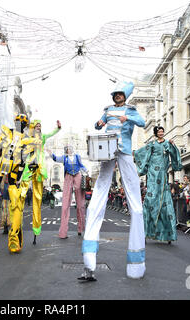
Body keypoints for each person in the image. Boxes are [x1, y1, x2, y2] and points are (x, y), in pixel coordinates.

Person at [79, 81, 146, 281]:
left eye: (120, 94)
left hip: (124, 151)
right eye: (115, 94)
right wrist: (99, 124)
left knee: (134, 196)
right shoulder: (107, 111)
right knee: (99, 193)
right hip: (107, 151)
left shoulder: (132, 110)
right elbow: (98, 124)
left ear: (125, 96)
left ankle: (137, 265)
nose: (118, 96)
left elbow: (142, 122)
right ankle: (89, 263)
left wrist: (128, 117)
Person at [0, 113, 39, 253]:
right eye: (18, 121)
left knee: (16, 203)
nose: (20, 123)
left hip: (13, 176)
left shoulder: (27, 140)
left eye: (23, 122)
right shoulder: (6, 134)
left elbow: (33, 158)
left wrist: (33, 164)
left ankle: (14, 237)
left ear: (26, 125)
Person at [134, 126, 183, 244]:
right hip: (152, 173)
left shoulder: (167, 143)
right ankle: (146, 232)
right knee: (150, 201)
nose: (161, 133)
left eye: (162, 131)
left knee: (165, 204)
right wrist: (133, 153)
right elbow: (142, 153)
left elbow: (175, 154)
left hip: (162, 174)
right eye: (159, 131)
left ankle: (167, 233)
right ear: (156, 133)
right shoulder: (151, 144)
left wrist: (173, 146)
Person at [22, 119, 61, 242]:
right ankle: (16, 219)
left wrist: (58, 128)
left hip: (39, 166)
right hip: (29, 165)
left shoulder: (43, 137)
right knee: (22, 191)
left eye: (40, 125)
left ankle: (36, 227)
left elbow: (51, 133)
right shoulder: (28, 137)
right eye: (37, 125)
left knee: (37, 198)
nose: (39, 127)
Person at [49, 145, 87, 239]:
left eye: (69, 149)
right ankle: (63, 232)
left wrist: (86, 170)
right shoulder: (64, 158)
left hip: (77, 175)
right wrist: (51, 154)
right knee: (65, 203)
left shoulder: (77, 156)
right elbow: (56, 158)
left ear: (72, 149)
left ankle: (81, 228)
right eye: (66, 149)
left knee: (80, 204)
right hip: (68, 176)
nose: (68, 150)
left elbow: (81, 165)